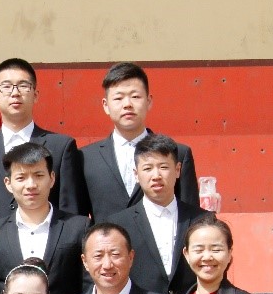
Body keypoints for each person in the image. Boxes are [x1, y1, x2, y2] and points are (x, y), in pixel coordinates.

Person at [0, 58, 86, 227]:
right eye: (6, 86)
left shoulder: (61, 147)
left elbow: (71, 210)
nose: (15, 93)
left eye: (23, 85)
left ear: (35, 95)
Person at [81, 62, 200, 221]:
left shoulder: (179, 153)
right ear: (106, 105)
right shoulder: (85, 158)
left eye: (135, 96)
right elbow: (77, 220)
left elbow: (191, 216)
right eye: (118, 98)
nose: (127, 104)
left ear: (149, 101)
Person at [0, 142, 90, 294]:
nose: (31, 185)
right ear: (8, 183)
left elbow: (88, 285)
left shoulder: (79, 227)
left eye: (39, 175)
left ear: (52, 178)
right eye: (21, 178)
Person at [106, 134, 200, 294]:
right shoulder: (118, 225)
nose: (156, 175)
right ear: (136, 174)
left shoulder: (201, 220)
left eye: (163, 167)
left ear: (177, 170)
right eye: (148, 168)